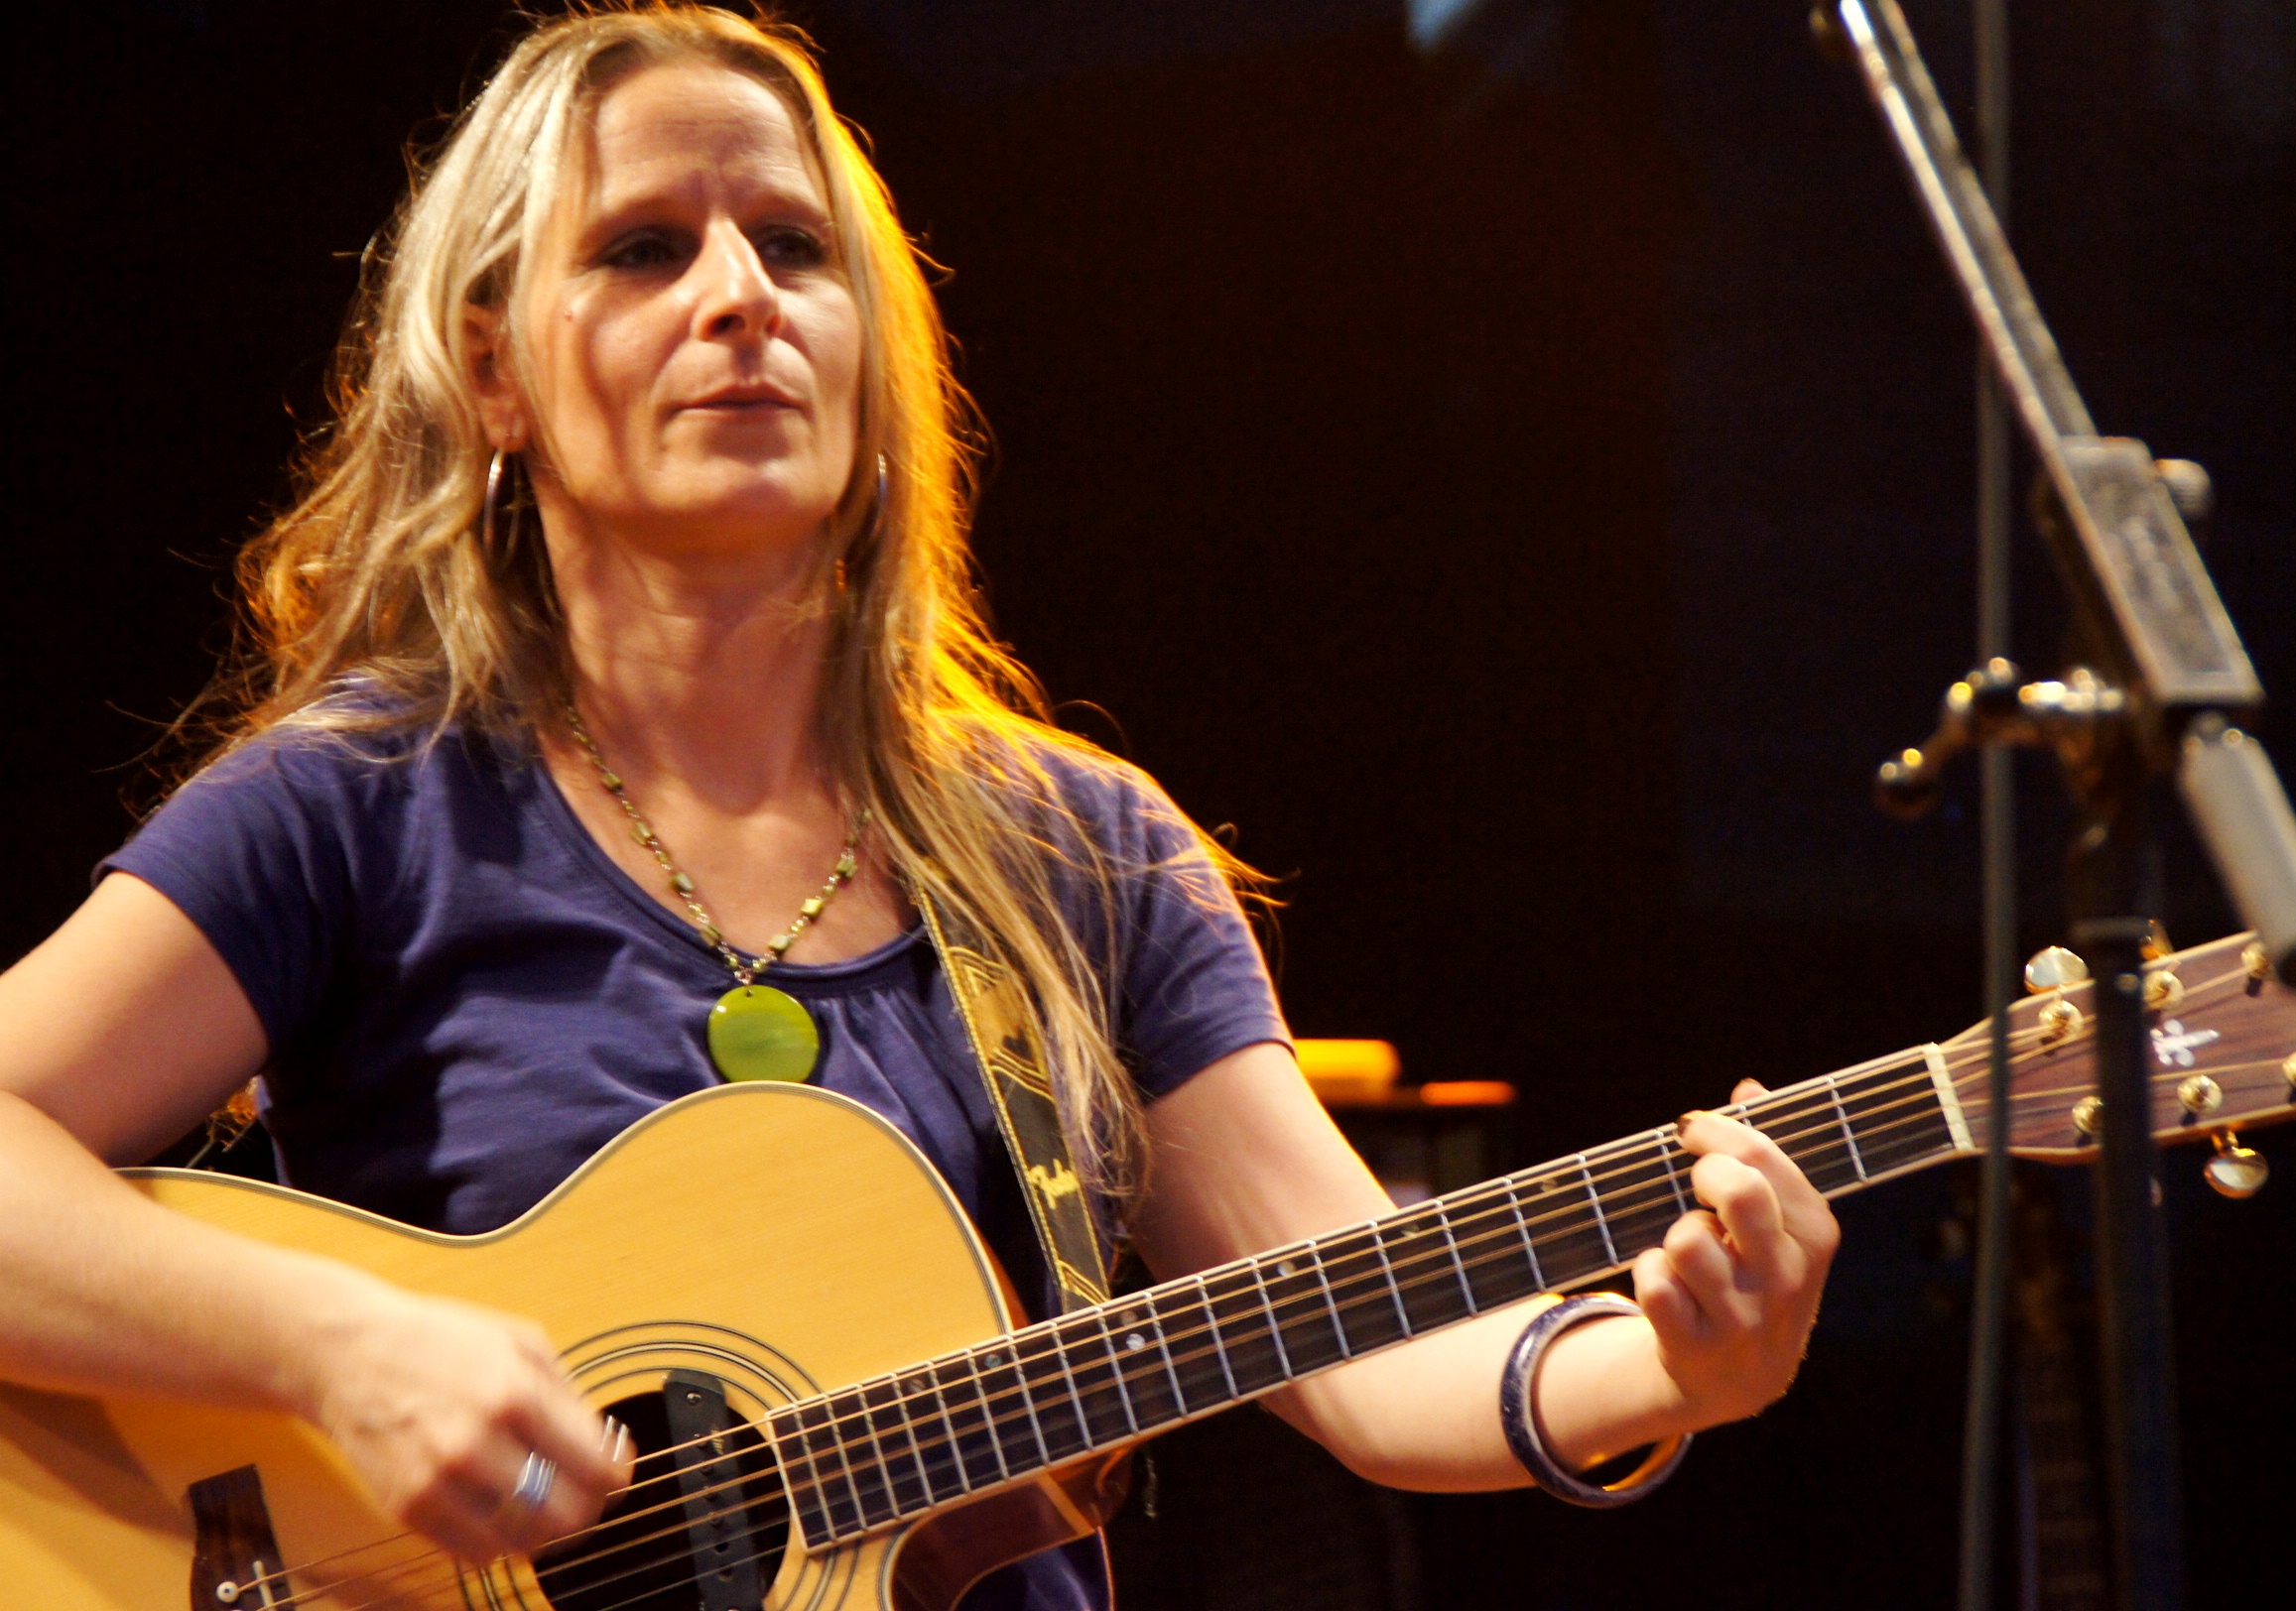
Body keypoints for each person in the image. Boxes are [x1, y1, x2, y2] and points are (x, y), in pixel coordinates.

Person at [0, 6, 1836, 1607]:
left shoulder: (1079, 852)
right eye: (644, 247)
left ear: (870, 350)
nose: (740, 295)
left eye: (793, 247)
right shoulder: (365, 804)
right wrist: (340, 1345)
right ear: (493, 372)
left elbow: (1368, 1342)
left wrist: (1676, 1369)